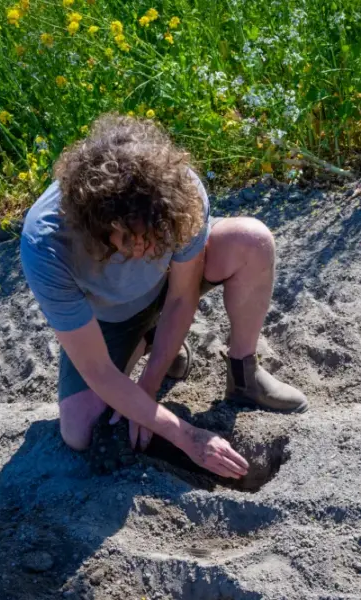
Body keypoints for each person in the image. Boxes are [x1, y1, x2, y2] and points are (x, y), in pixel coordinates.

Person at [20, 114, 307, 480]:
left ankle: (244, 374)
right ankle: (148, 339)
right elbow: (98, 369)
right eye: (132, 240)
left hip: (168, 290)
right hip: (109, 318)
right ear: (100, 223)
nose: (148, 251)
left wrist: (149, 385)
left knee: (251, 241)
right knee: (80, 430)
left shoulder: (177, 194)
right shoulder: (46, 243)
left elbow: (181, 296)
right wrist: (186, 435)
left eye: (158, 237)